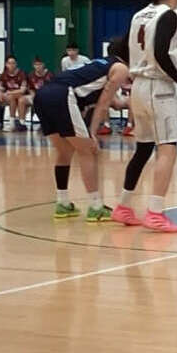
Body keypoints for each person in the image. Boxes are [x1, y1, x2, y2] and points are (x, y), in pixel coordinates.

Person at [112, 0, 177, 233]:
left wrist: (136, 67)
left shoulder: (139, 14)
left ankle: (123, 206)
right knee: (168, 149)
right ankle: (155, 213)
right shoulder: (168, 15)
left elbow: (118, 48)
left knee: (144, 148)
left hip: (138, 87)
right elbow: (160, 52)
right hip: (158, 87)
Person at [33, 38, 130, 221]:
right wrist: (92, 132)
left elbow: (115, 103)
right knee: (88, 151)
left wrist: (135, 102)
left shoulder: (99, 65)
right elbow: (103, 105)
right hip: (63, 94)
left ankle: (62, 203)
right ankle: (95, 206)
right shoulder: (120, 68)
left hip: (43, 94)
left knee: (64, 151)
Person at [13, 56, 53, 131]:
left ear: (43, 65)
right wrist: (33, 94)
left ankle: (46, 123)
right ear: (33, 65)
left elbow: (52, 88)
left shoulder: (49, 75)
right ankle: (22, 123)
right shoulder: (31, 75)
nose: (38, 66)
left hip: (46, 96)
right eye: (36, 64)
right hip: (35, 95)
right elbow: (30, 88)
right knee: (22, 100)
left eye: (40, 64)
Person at [0, 55, 27, 131]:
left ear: (16, 64)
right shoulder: (4, 74)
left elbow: (22, 90)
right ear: (6, 64)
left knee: (11, 97)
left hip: (18, 94)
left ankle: (12, 123)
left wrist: (10, 92)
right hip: (7, 94)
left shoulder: (21, 74)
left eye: (13, 63)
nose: (11, 65)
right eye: (9, 63)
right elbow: (1, 87)